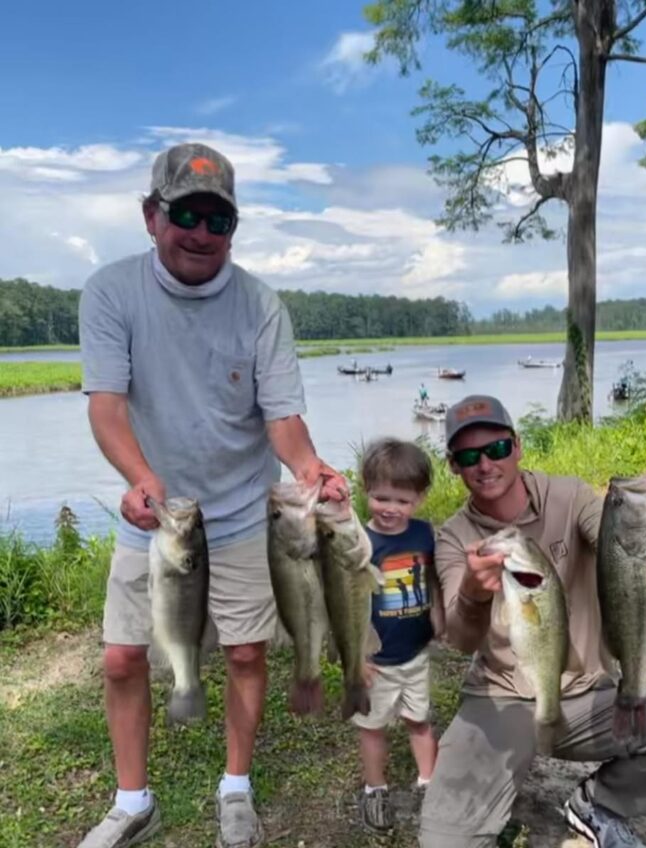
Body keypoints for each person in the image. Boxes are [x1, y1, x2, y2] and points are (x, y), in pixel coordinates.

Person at [76, 142, 347, 848]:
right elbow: (106, 409)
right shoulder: (111, 292)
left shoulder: (260, 304)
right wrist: (140, 480)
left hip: (239, 517)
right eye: (185, 214)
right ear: (150, 215)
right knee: (122, 657)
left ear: (234, 228)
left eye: (218, 220)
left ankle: (236, 788)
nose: (200, 233)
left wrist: (313, 470)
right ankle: (132, 800)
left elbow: (282, 418)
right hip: (158, 515)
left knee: (249, 654)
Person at [419, 394, 646, 848]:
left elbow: (616, 543)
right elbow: (462, 639)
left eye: (497, 449)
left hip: (587, 695)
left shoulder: (571, 495)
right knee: (444, 843)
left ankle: (600, 804)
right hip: (502, 700)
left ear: (517, 446)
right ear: (454, 467)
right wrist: (472, 592)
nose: (485, 464)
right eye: (468, 456)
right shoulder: (452, 538)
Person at [353, 438, 442, 835]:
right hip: (374, 660)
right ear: (365, 491)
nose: (390, 508)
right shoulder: (358, 542)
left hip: (416, 653)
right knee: (372, 727)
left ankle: (430, 783)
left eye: (402, 501)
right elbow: (346, 604)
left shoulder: (426, 534)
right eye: (381, 497)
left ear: (420, 499)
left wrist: (438, 618)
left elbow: (434, 582)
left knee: (419, 721)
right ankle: (375, 788)